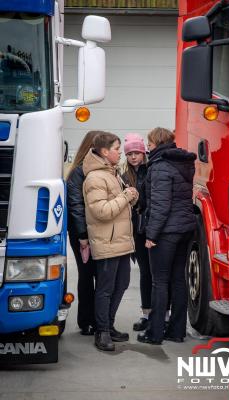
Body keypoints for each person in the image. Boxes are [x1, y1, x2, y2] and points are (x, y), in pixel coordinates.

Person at [137, 127, 196, 345]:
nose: (148, 146)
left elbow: (161, 206)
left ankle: (155, 333)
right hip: (184, 230)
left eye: (149, 142)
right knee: (178, 280)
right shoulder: (182, 162)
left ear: (157, 142)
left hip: (166, 232)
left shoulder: (160, 166)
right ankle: (176, 331)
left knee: (159, 281)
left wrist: (151, 235)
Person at [83, 132, 139, 351]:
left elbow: (117, 206)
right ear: (105, 152)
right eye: (117, 148)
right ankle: (102, 331)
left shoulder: (112, 173)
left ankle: (109, 324)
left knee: (122, 283)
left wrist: (130, 197)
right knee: (106, 288)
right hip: (107, 242)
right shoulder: (95, 178)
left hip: (121, 241)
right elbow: (101, 211)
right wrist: (124, 197)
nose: (120, 152)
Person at [66, 131, 100, 336]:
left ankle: (93, 319)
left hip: (91, 231)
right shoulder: (79, 172)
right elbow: (76, 206)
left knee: (94, 275)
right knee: (87, 275)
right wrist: (82, 235)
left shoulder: (92, 170)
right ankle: (86, 321)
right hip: (82, 233)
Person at [122, 133, 151, 331]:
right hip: (135, 231)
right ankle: (146, 314)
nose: (133, 157)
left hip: (150, 229)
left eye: (137, 153)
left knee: (154, 273)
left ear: (144, 153)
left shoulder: (151, 171)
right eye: (130, 153)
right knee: (144, 273)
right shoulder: (124, 176)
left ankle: (161, 314)